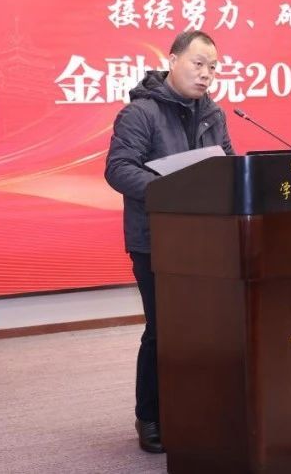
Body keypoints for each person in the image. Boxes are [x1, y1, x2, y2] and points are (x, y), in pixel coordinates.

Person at [104, 30, 235, 453]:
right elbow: (118, 169)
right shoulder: (140, 113)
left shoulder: (214, 114)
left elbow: (229, 166)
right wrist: (173, 191)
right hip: (155, 240)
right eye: (198, 63)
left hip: (206, 240)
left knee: (204, 327)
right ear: (173, 60)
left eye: (212, 67)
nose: (206, 74)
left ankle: (196, 405)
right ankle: (151, 416)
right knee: (164, 328)